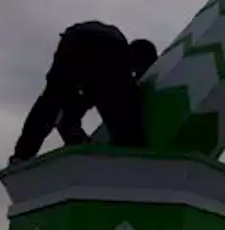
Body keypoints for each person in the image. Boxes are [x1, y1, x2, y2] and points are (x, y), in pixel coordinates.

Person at [9, 21, 158, 165]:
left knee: (52, 98)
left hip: (73, 40)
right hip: (107, 44)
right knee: (123, 114)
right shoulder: (118, 64)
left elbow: (81, 98)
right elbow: (116, 97)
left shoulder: (97, 77)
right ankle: (130, 149)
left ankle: (22, 155)